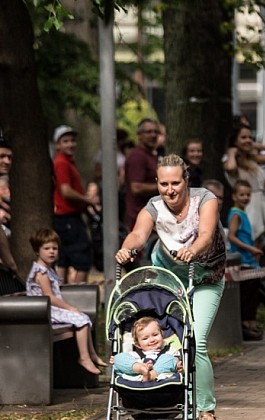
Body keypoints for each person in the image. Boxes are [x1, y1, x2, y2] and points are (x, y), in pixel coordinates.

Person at [115, 154, 226, 420]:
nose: (170, 190)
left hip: (205, 277)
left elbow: (206, 233)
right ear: (157, 183)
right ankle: (165, 397)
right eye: (164, 184)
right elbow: (139, 233)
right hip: (169, 275)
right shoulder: (154, 205)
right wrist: (128, 248)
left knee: (196, 340)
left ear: (186, 180)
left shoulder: (205, 199)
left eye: (175, 182)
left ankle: (205, 409)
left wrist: (194, 250)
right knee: (168, 336)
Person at [27, 228, 107, 375]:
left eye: (54, 248)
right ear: (37, 251)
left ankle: (92, 355)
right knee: (81, 319)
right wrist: (69, 308)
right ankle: (84, 357)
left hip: (49, 309)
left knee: (83, 317)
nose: (51, 252)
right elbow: (49, 296)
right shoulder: (41, 272)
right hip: (43, 310)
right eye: (47, 248)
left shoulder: (48, 269)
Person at [52, 125, 100, 283]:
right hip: (68, 218)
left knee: (64, 259)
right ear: (57, 144)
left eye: (72, 140)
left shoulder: (67, 161)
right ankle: (79, 299)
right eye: (65, 141)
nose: (70, 144)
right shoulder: (61, 163)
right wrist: (87, 200)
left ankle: (62, 298)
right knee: (82, 260)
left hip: (67, 217)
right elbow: (65, 191)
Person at [223, 125, 265, 242]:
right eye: (243, 137)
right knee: (247, 240)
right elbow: (230, 167)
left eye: (250, 137)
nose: (248, 140)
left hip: (260, 202)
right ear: (235, 141)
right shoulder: (230, 159)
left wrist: (258, 145)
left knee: (259, 242)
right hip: (247, 203)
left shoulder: (253, 158)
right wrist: (232, 152)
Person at [227, 179, 265, 340]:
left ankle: (251, 322)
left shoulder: (242, 213)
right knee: (248, 295)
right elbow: (231, 236)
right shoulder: (236, 214)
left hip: (250, 260)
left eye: (248, 194)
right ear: (234, 196)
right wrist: (251, 248)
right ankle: (247, 323)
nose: (245, 198)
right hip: (243, 261)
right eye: (241, 194)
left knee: (253, 294)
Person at [111, 317, 181, 382]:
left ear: (162, 335)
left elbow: (175, 361)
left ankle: (150, 375)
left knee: (169, 359)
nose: (152, 340)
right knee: (119, 357)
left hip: (160, 376)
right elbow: (124, 360)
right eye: (145, 338)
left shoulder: (169, 350)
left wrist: (178, 365)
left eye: (155, 335)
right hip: (138, 374)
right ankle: (141, 368)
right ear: (138, 344)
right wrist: (117, 359)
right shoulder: (135, 354)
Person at [125, 119, 161, 233]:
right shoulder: (138, 157)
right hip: (139, 221)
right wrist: (163, 186)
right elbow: (136, 187)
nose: (153, 135)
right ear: (139, 135)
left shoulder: (151, 156)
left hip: (152, 218)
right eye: (149, 132)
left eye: (156, 132)